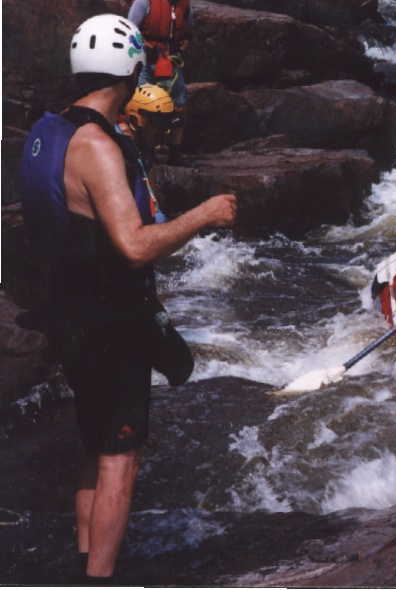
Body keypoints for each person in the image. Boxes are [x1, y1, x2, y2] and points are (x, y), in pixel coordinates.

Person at [18, 14, 236, 583]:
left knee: (93, 447)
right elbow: (135, 246)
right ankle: (102, 578)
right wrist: (205, 214)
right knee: (120, 458)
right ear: (132, 69)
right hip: (108, 323)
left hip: (67, 314)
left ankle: (83, 562)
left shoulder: (47, 130)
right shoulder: (97, 147)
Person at [127, 0, 192, 164]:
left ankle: (175, 152)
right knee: (144, 107)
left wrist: (184, 42)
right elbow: (130, 30)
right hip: (146, 62)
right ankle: (146, 151)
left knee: (180, 104)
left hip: (171, 61)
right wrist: (145, 48)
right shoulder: (144, 2)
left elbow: (187, 29)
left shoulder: (184, 4)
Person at [117, 83, 182, 222]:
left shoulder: (145, 148)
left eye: (166, 124)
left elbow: (153, 199)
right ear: (136, 120)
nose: (164, 131)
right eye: (158, 124)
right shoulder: (118, 147)